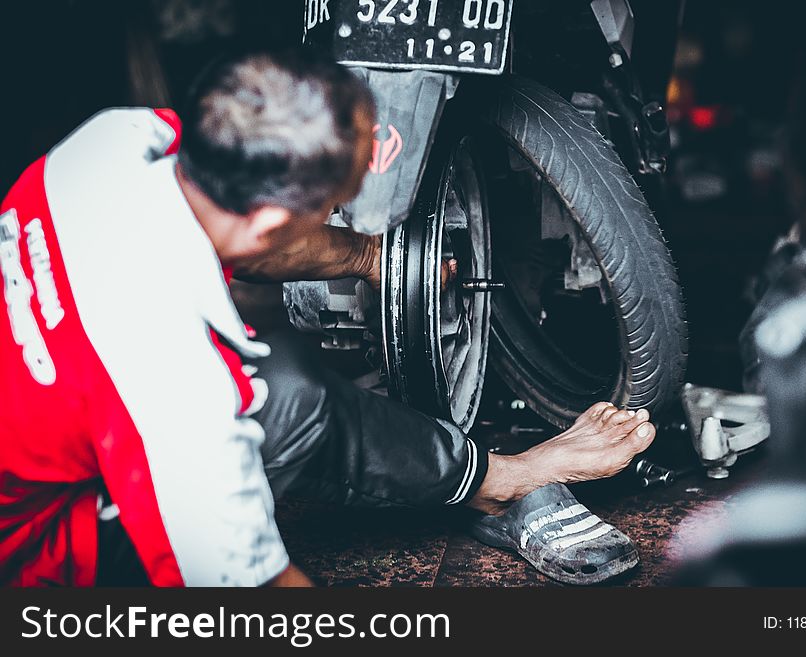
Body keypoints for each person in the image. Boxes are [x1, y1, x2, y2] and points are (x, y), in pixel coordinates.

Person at [0, 50, 656, 587]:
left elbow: (245, 236)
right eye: (333, 208)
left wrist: (374, 260)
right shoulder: (184, 398)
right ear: (271, 222)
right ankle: (503, 478)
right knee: (282, 397)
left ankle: (490, 478)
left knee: (281, 378)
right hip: (34, 560)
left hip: (44, 439)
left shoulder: (116, 145)